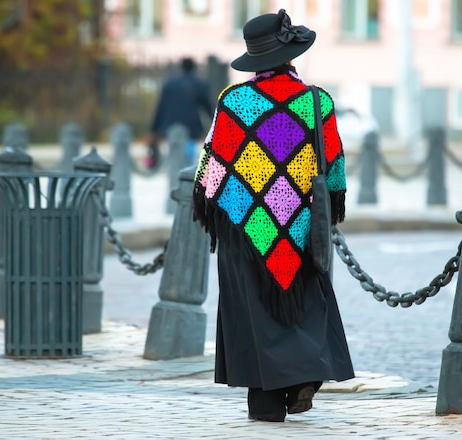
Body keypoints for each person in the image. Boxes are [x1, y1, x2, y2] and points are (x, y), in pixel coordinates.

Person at [192, 9, 354, 422]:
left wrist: (221, 202)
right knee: (304, 304)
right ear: (291, 57)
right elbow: (333, 167)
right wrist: (330, 203)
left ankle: (265, 404)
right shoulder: (317, 101)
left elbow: (211, 173)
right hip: (301, 223)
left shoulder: (233, 101)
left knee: (252, 311)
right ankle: (303, 374)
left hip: (246, 226)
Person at [150, 56, 214, 166]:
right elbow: (208, 108)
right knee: (189, 159)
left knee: (174, 158)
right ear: (194, 68)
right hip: (192, 127)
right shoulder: (200, 84)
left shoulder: (169, 84)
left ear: (181, 67)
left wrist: (154, 129)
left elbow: (161, 108)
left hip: (171, 126)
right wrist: (216, 124)